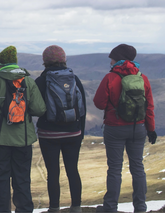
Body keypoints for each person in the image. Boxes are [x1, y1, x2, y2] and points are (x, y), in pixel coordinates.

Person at [0, 46, 46, 213]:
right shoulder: (28, 81)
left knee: (0, 179)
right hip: (22, 140)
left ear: (0, 65)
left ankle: (2, 210)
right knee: (22, 178)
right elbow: (39, 109)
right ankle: (24, 210)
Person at [93, 44, 157, 213]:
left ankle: (110, 208)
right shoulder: (142, 78)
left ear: (118, 59)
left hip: (115, 128)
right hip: (138, 127)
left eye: (112, 58)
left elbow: (98, 103)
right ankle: (141, 207)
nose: (110, 61)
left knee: (114, 168)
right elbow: (149, 106)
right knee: (138, 167)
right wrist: (151, 129)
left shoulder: (110, 77)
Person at [34, 45, 86, 213]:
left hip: (49, 134)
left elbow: (35, 108)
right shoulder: (74, 79)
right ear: (64, 60)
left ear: (45, 61)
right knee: (73, 169)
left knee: (53, 172)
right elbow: (82, 107)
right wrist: (80, 132)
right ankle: (76, 207)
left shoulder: (41, 81)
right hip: (73, 133)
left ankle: (54, 208)